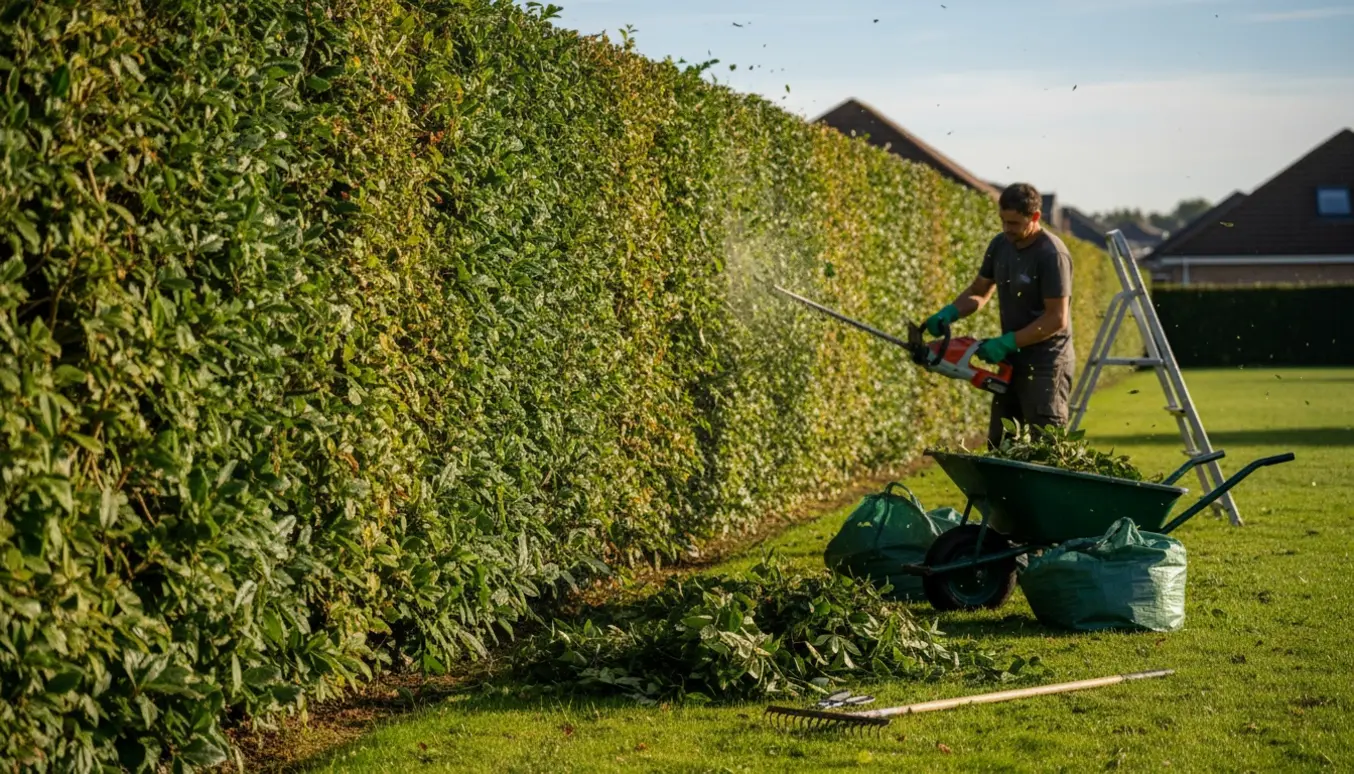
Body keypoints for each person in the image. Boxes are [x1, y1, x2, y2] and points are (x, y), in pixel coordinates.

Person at [923, 183, 1075, 450]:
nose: (1007, 229)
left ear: (1035, 217)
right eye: (1003, 221)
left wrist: (1006, 342)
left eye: (1014, 223)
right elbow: (979, 291)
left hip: (1046, 365)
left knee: (1046, 447)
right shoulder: (1000, 245)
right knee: (1002, 443)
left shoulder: (1052, 254)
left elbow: (1056, 318)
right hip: (1012, 362)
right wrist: (950, 313)